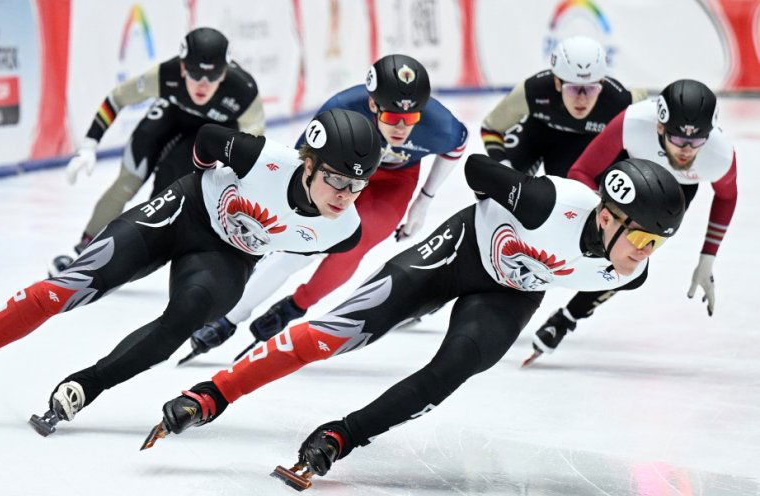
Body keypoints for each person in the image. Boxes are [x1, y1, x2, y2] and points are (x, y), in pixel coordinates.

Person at [146, 154, 686, 487]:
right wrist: (505, 188)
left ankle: (340, 437)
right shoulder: (549, 203)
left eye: (659, 243)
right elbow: (477, 168)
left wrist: (560, 321)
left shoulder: (626, 273)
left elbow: (595, 291)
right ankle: (214, 393)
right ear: (609, 216)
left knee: (454, 370)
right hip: (459, 252)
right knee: (336, 332)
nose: (647, 253)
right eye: (642, 238)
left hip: (509, 294)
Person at [0, 109, 382, 435]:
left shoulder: (345, 231)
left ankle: (86, 386)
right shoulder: (261, 159)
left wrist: (244, 308)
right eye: (337, 178)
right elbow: (206, 141)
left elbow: (287, 267)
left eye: (358, 185)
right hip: (182, 211)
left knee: (180, 322)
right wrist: (198, 181)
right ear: (309, 163)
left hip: (227, 258)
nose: (345, 194)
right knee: (73, 284)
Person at [178, 54, 467, 364]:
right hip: (337, 177)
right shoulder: (340, 108)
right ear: (372, 106)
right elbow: (300, 163)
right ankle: (229, 318)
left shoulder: (440, 125)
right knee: (300, 243)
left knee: (355, 243)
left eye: (411, 119)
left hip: (393, 182)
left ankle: (294, 307)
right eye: (393, 118)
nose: (402, 128)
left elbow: (457, 147)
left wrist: (424, 199)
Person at [530, 79, 738, 358]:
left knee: (631, 259)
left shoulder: (719, 154)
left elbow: (726, 197)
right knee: (597, 240)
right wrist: (598, 215)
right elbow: (581, 171)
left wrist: (708, 257)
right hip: (627, 167)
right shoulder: (634, 122)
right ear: (660, 126)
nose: (686, 150)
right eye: (678, 138)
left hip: (676, 190)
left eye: (697, 141)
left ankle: (566, 319)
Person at [52, 27, 265, 273]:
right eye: (195, 73)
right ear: (183, 67)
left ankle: (137, 252)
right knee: (127, 181)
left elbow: (253, 145)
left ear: (225, 72)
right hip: (170, 117)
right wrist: (89, 144)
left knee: (166, 195)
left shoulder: (243, 90)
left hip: (208, 134)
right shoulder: (167, 74)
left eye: (214, 75)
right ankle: (84, 249)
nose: (203, 85)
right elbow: (117, 98)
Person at [480, 36, 646, 176]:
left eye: (591, 89)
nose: (582, 100)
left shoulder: (621, 101)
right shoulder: (532, 92)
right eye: (573, 89)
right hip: (542, 133)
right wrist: (502, 163)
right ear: (557, 83)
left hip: (589, 143)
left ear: (602, 83)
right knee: (497, 182)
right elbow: (491, 128)